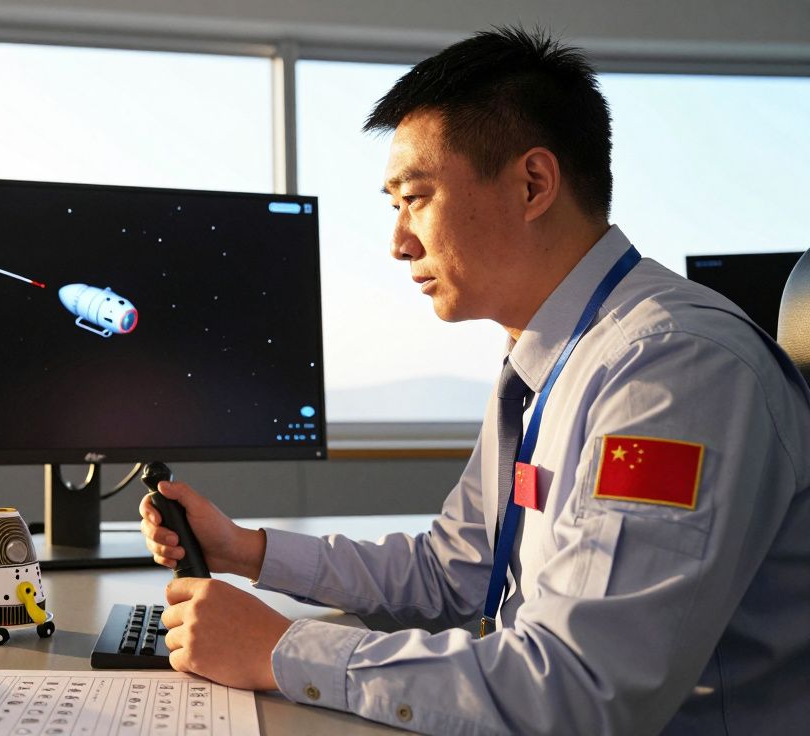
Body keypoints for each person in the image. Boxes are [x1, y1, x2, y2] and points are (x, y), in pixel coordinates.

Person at [139, 26, 810, 735]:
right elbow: (452, 573)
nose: (398, 243)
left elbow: (581, 693)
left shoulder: (675, 374)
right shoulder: (549, 358)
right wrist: (250, 552)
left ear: (532, 184)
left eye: (416, 198)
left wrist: (282, 650)